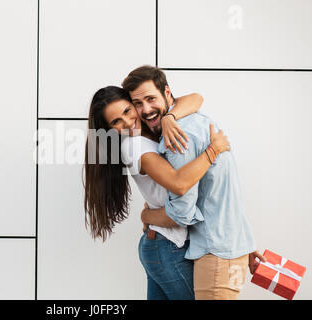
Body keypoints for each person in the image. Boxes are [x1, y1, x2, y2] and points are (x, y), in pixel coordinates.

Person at [122, 65, 265, 300]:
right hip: (227, 247)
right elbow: (224, 194)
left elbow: (182, 213)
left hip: (216, 253)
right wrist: (242, 242)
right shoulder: (198, 120)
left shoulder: (176, 136)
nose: (146, 109)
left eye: (151, 99)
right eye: (138, 103)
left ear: (168, 94)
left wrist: (146, 216)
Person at [83, 85, 230, 299]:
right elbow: (178, 184)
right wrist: (214, 150)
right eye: (116, 122)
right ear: (109, 130)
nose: (126, 122)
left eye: (127, 111)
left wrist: (170, 117)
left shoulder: (153, 131)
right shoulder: (134, 147)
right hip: (169, 248)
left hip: (161, 243)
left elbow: (196, 98)